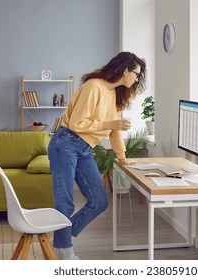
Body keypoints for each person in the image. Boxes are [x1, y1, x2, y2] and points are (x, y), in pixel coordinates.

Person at [48, 51, 147, 260]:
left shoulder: (117, 95)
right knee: (65, 201)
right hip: (65, 143)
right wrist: (111, 124)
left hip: (84, 148)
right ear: (125, 70)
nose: (137, 79)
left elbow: (115, 132)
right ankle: (64, 250)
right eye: (136, 74)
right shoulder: (94, 86)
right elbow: (77, 124)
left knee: (99, 200)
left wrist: (123, 158)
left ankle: (60, 238)